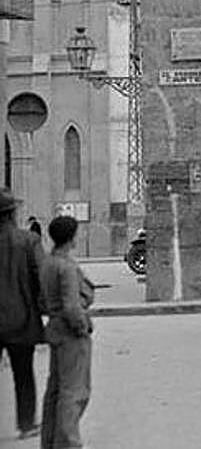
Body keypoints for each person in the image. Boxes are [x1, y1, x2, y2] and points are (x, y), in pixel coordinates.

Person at [40, 215, 94, 449]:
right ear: (71, 237)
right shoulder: (66, 267)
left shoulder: (48, 263)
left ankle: (51, 441)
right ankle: (68, 443)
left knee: (56, 390)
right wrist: (82, 327)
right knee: (74, 392)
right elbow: (72, 306)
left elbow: (42, 300)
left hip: (55, 329)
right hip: (71, 334)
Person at [0, 188, 45, 440]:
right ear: (12, 214)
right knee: (23, 375)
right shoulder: (28, 241)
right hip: (22, 319)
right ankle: (26, 423)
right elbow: (41, 278)